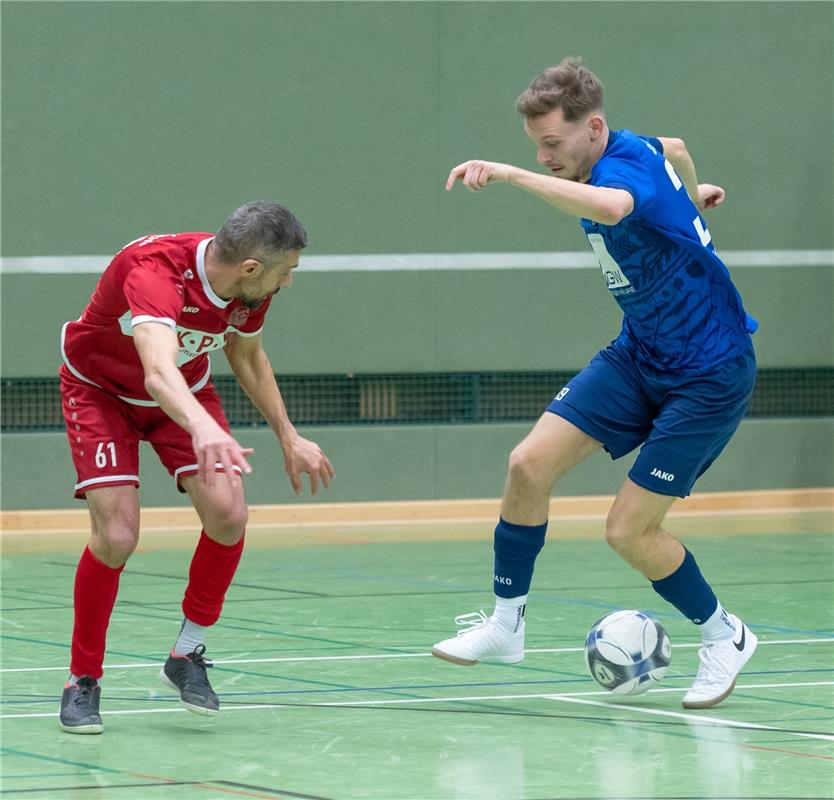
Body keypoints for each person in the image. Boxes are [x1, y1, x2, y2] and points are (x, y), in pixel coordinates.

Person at [432, 58, 759, 709]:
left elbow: (613, 206)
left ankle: (726, 636)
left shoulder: (615, 174)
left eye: (553, 144)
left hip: (709, 370)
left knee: (627, 531)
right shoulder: (632, 146)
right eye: (535, 147)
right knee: (528, 464)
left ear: (594, 129)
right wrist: (693, 197)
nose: (546, 156)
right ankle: (506, 626)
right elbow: (680, 148)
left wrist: (510, 173)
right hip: (640, 354)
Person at [58, 201, 335, 733]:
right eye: (287, 272)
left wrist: (288, 435)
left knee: (229, 515)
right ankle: (82, 680)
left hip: (186, 393)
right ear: (251, 266)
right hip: (102, 393)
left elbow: (247, 355)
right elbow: (158, 372)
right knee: (116, 535)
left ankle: (185, 654)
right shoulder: (155, 272)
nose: (289, 283)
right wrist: (205, 429)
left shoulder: (249, 288)